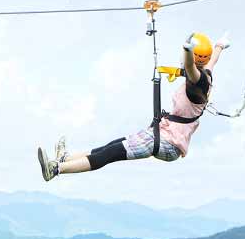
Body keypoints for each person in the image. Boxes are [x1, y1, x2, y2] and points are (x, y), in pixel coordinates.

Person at [38, 32, 230, 181]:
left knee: (110, 154)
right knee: (110, 146)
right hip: (162, 134)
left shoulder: (198, 82)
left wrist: (187, 49)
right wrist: (219, 45)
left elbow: (189, 67)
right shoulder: (206, 75)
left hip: (167, 143)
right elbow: (212, 60)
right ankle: (65, 159)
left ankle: (55, 169)